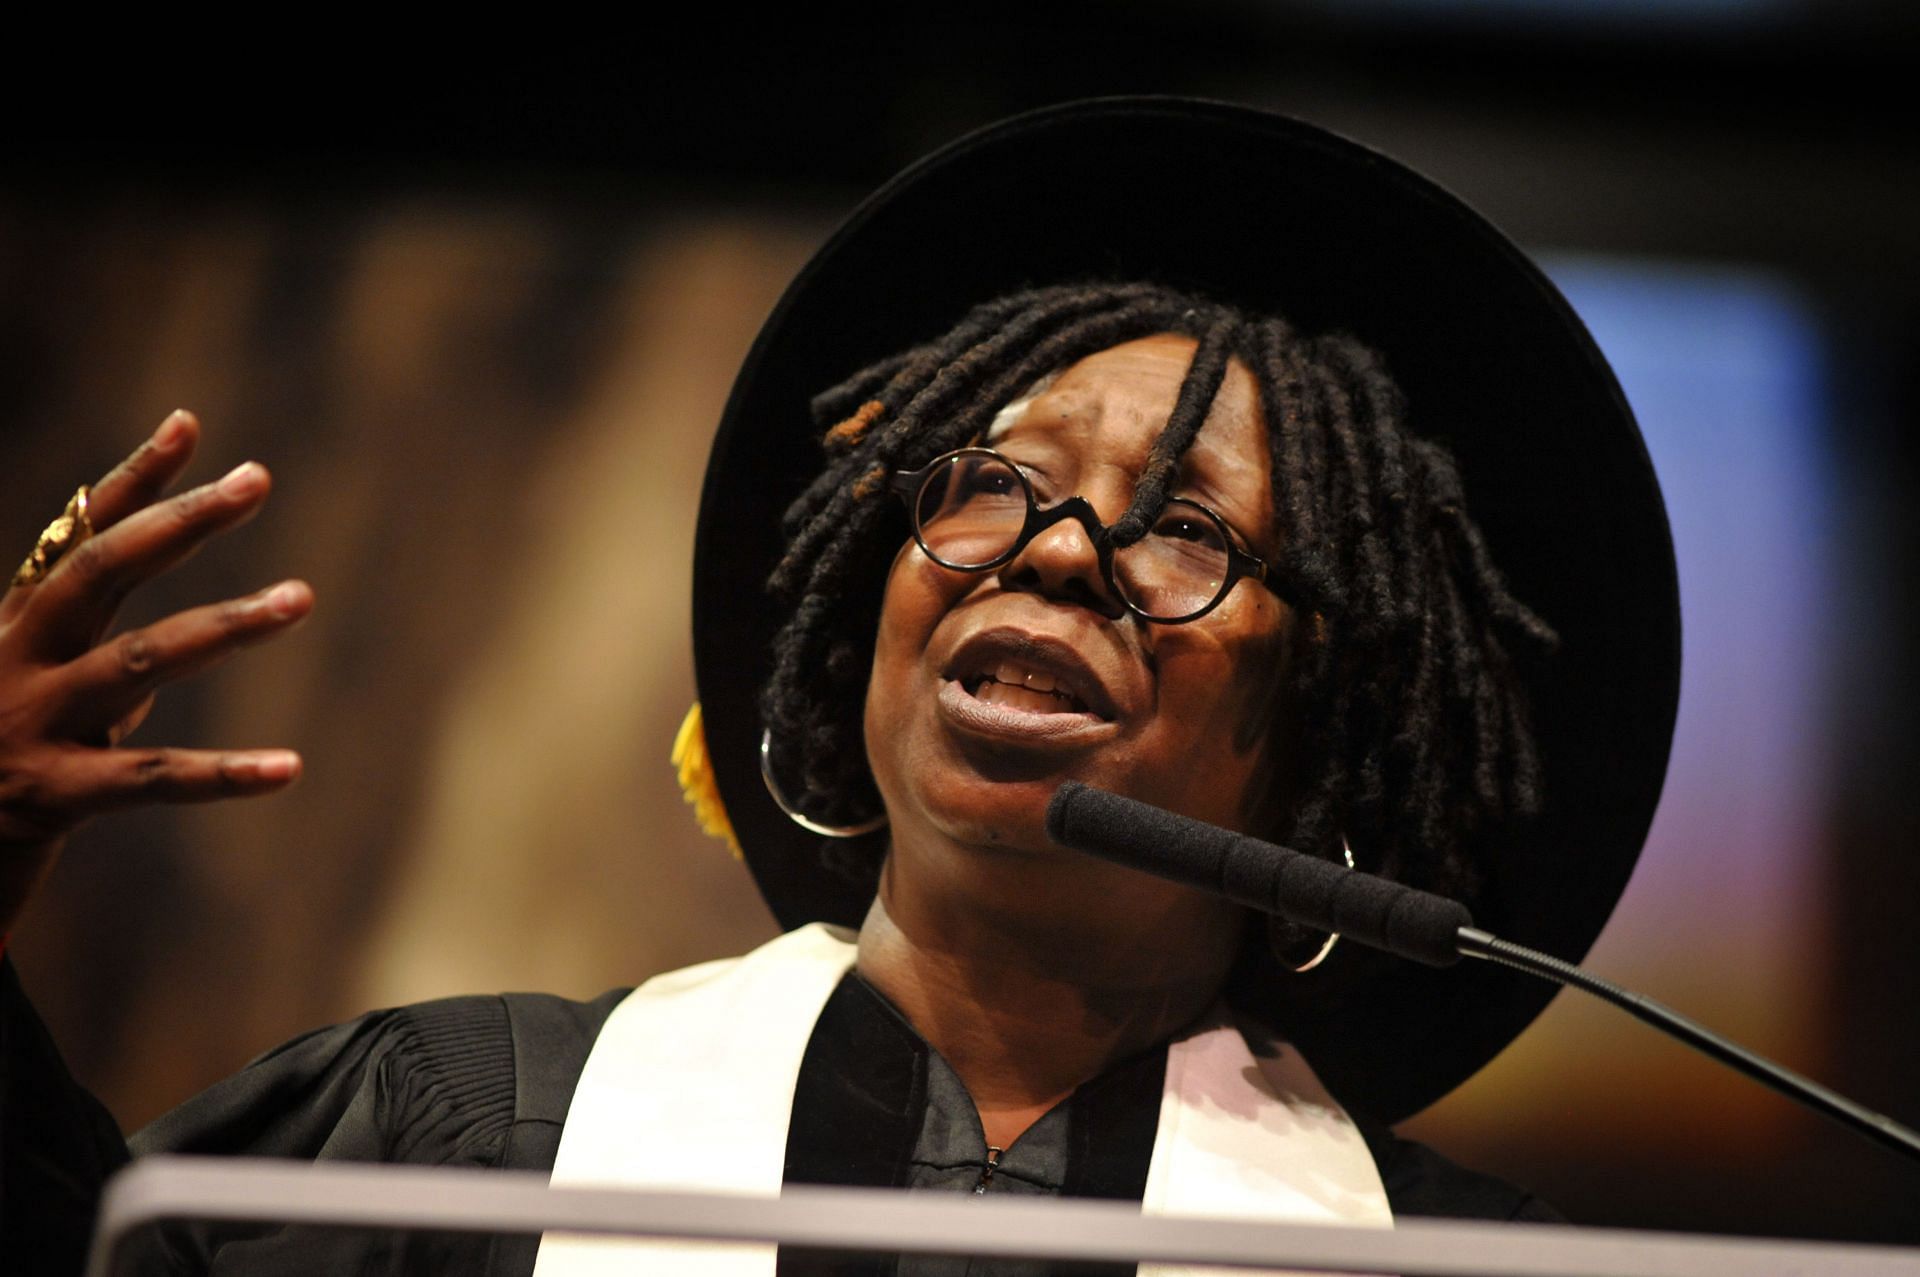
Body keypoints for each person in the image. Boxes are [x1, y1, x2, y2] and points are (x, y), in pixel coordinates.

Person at [0, 99, 1680, 1274]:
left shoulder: (1435, 1263)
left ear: (1325, 738)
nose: (1061, 550)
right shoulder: (457, 1144)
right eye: (991, 479)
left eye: (1182, 524)